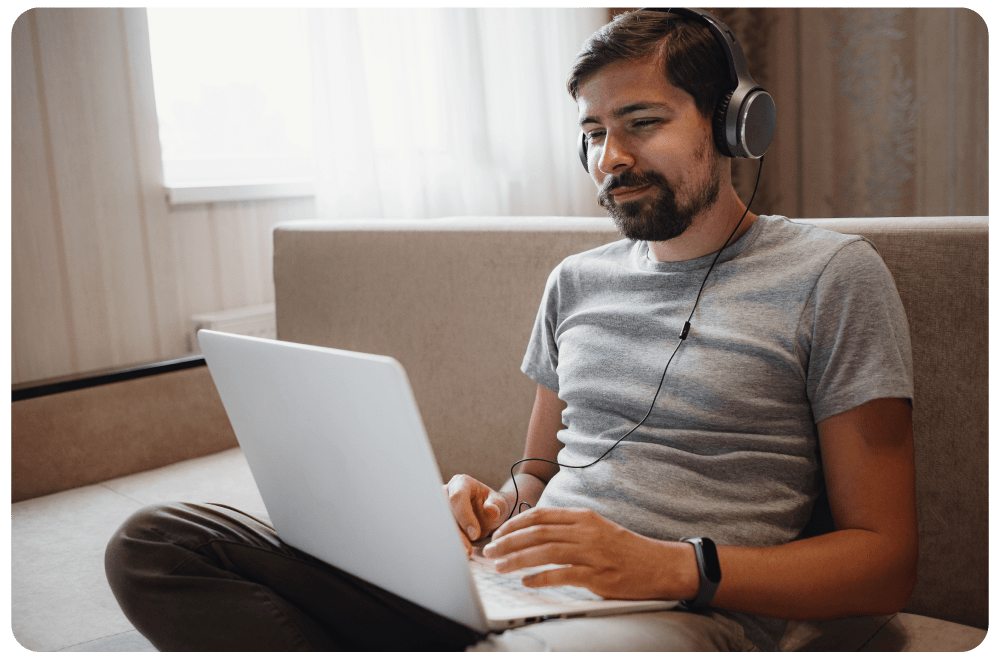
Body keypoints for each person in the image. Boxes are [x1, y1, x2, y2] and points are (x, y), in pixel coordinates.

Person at [105, 8, 917, 652]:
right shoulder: (576, 281)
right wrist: (489, 506)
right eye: (593, 133)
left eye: (641, 122)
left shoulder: (831, 276)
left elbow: (884, 560)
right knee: (157, 544)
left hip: (677, 612)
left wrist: (672, 565)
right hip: (514, 584)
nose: (610, 158)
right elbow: (538, 473)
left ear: (734, 124)